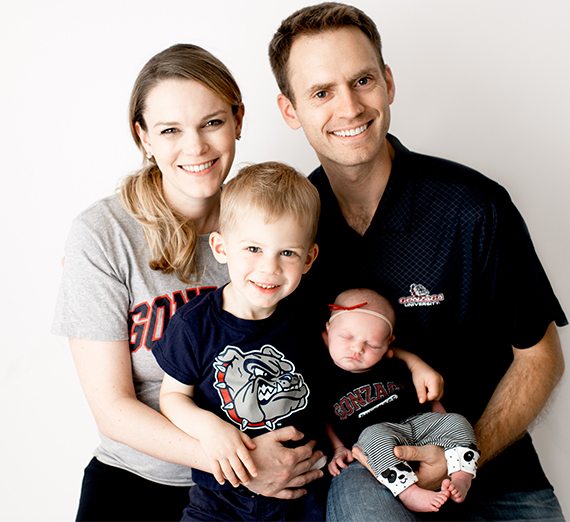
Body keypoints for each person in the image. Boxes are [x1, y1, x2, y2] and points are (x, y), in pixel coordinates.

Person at [268, 3, 567, 521]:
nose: (349, 107)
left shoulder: (474, 207)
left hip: (495, 474)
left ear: (387, 82)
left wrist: (455, 459)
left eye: (362, 80)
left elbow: (540, 358)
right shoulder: (288, 232)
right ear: (290, 110)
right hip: (370, 475)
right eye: (321, 92)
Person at [52, 45, 324, 522]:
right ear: (144, 137)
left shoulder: (273, 226)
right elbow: (112, 408)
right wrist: (241, 464)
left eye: (212, 122)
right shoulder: (103, 235)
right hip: (141, 481)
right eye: (170, 130)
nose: (195, 147)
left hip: (271, 490)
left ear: (239, 119)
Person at [152, 161, 327, 521]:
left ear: (309, 258)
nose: (269, 268)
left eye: (288, 253)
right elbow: (172, 398)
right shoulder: (194, 324)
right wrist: (210, 429)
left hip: (302, 494)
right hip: (220, 501)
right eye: (253, 249)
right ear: (220, 247)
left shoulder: (308, 318)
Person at [324, 288, 478, 513]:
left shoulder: (395, 364)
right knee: (372, 438)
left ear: (388, 344)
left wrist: (443, 420)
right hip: (380, 435)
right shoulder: (323, 378)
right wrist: (338, 448)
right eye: (346, 337)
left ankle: (462, 475)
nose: (357, 349)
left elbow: (425, 396)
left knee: (458, 421)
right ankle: (409, 492)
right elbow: (325, 419)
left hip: (419, 423)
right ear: (328, 331)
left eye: (373, 345)